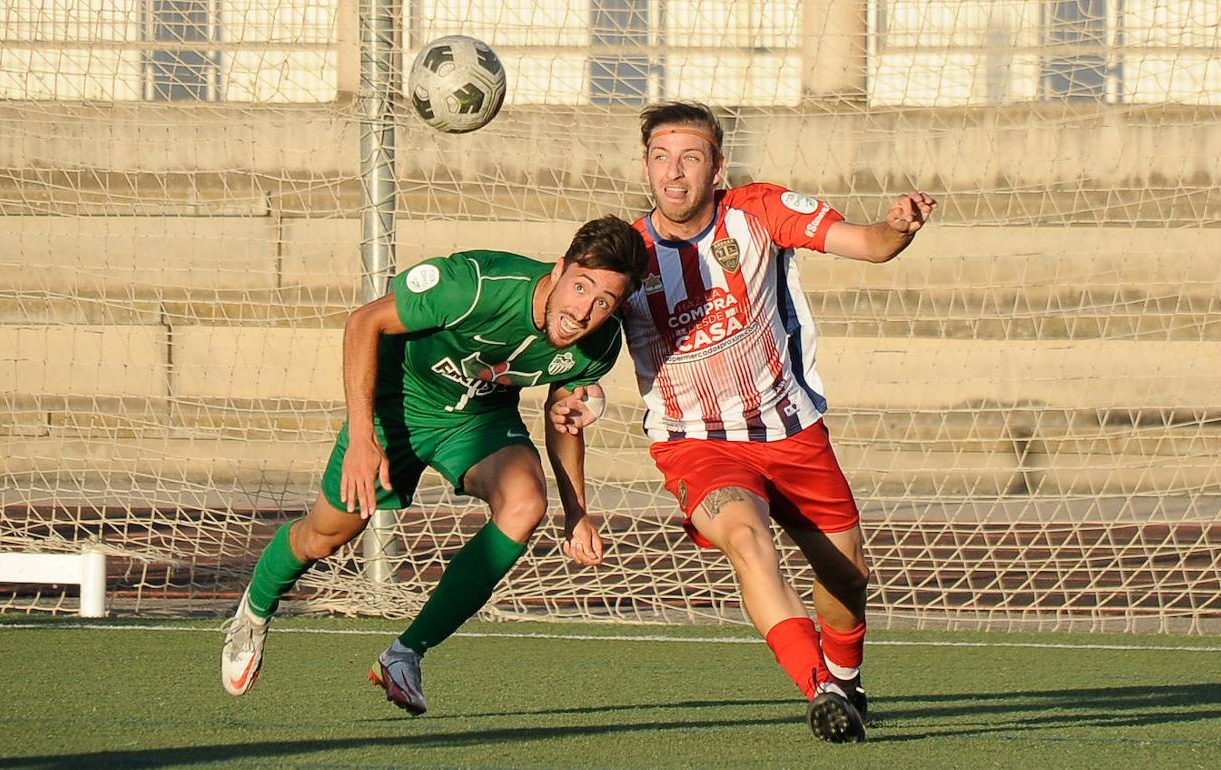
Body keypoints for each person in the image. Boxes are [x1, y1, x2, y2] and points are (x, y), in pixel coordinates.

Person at [221, 215, 647, 715]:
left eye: (604, 301)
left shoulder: (600, 344)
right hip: (397, 407)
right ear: (558, 271)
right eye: (580, 287)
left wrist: (577, 510)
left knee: (526, 503)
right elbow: (364, 322)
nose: (583, 311)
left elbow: (564, 416)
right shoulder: (475, 285)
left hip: (479, 421)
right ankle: (254, 608)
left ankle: (404, 654)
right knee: (326, 534)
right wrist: (362, 437)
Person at [622, 102, 937, 743]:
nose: (673, 174)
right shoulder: (626, 252)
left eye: (690, 158)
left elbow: (870, 245)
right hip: (696, 442)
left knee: (845, 574)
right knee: (747, 541)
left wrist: (898, 226)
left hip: (789, 430)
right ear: (646, 167)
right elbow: (575, 324)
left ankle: (846, 684)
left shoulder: (759, 211)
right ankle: (818, 688)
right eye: (660, 158)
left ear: (717, 168)